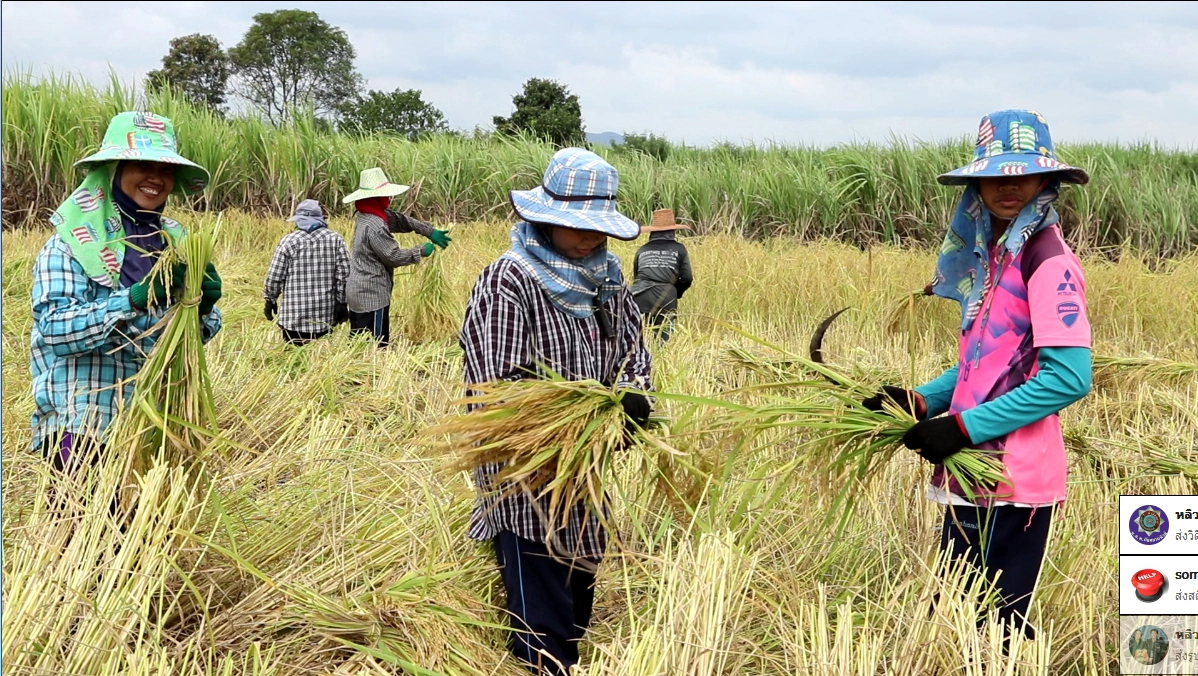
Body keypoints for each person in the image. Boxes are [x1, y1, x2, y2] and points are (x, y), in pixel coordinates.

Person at [861, 110, 1093, 641]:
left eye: (1021, 175)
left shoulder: (1047, 260)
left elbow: (1068, 378)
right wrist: (924, 402)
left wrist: (963, 429)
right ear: (976, 184)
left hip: (1013, 476)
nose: (1007, 187)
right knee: (959, 617)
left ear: (1045, 182)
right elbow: (986, 362)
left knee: (998, 629)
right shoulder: (994, 258)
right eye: (995, 176)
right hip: (972, 469)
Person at [459, 148, 653, 675]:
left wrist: (633, 396)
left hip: (585, 470)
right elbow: (493, 385)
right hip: (525, 473)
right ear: (543, 216)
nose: (590, 237)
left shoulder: (608, 280)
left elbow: (634, 350)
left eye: (597, 228)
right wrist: (560, 409)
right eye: (576, 226)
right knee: (544, 633)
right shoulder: (509, 280)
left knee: (578, 602)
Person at [31, 111, 222, 477]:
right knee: (80, 532)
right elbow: (54, 329)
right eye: (142, 165)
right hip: (83, 423)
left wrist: (203, 310)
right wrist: (133, 298)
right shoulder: (71, 243)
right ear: (113, 170)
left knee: (148, 533)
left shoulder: (177, 243)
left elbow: (185, 340)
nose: (156, 178)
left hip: (155, 423)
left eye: (165, 169)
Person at [343, 167, 452, 347]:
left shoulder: (366, 214)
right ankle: (373, 373)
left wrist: (429, 231)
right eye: (385, 195)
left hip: (358, 290)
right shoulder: (375, 225)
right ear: (376, 198)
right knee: (375, 345)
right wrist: (420, 251)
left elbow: (401, 220)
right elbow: (392, 256)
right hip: (371, 295)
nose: (389, 198)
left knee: (358, 343)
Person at [263, 199, 351, 346]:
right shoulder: (336, 240)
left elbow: (275, 277)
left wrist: (270, 299)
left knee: (292, 361)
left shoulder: (288, 241)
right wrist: (342, 303)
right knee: (321, 362)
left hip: (292, 319)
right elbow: (345, 276)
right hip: (325, 318)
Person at [630, 208, 693, 342]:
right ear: (673, 231)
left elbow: (637, 277)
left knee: (639, 337)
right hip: (666, 296)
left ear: (653, 232)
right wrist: (676, 292)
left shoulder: (642, 250)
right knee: (664, 338)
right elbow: (687, 278)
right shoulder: (679, 249)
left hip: (639, 294)